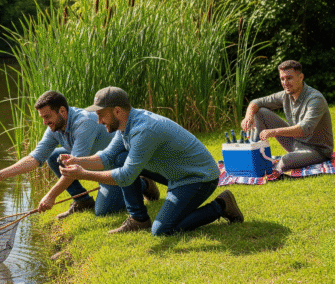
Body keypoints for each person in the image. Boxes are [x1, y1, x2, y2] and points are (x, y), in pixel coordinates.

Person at [60, 86, 244, 236]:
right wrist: (77, 160)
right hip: (175, 172)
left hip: (197, 178)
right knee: (119, 158)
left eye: (101, 115)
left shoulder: (144, 130)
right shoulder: (125, 124)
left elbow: (125, 177)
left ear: (117, 111)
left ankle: (222, 205)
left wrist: (83, 174)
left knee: (163, 230)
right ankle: (138, 219)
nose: (98, 121)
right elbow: (107, 157)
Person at [0, 90, 159, 220]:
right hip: (93, 162)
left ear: (62, 112)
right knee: (55, 156)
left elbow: (73, 170)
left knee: (104, 212)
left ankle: (143, 183)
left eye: (47, 116)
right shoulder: (54, 127)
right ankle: (82, 202)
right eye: (42, 118)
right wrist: (2, 174)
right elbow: (35, 158)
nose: (45, 122)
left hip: (114, 163)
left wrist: (50, 196)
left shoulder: (84, 123)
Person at [240, 60, 333, 173]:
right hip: (295, 143)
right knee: (260, 112)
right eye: (282, 79)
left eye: (289, 78)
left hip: (317, 150)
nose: (285, 83)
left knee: (285, 160)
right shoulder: (285, 95)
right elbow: (257, 102)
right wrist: (248, 116)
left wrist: (274, 132)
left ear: (301, 77)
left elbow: (304, 129)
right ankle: (254, 156)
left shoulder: (315, 99)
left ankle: (272, 173)